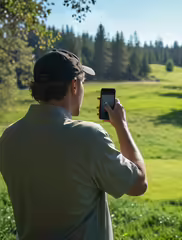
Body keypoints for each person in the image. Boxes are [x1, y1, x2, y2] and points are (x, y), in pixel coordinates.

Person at [0, 49, 148, 240]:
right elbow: (138, 185)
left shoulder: (9, 137)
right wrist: (122, 126)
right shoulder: (88, 137)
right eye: (83, 82)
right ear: (74, 85)